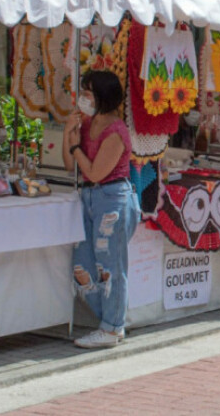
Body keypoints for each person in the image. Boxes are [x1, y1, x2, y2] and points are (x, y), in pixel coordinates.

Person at [63, 70, 140, 349]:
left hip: (112, 198)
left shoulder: (116, 131)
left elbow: (95, 172)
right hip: (90, 198)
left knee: (110, 266)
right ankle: (110, 320)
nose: (83, 98)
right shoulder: (86, 124)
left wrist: (75, 148)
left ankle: (112, 326)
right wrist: (69, 135)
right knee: (81, 264)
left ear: (102, 97)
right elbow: (69, 164)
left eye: (88, 93)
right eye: (82, 92)